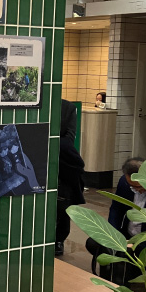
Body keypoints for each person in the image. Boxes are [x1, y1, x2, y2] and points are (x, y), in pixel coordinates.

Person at [55, 100, 86, 256]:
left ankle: (58, 239)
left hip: (61, 160)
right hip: (36, 158)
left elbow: (70, 138)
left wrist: (48, 142)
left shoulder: (68, 108)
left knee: (62, 202)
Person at [108, 157, 146, 239]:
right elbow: (116, 210)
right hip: (128, 235)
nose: (137, 190)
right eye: (132, 186)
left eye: (140, 186)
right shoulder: (124, 182)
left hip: (145, 239)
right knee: (93, 243)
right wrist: (113, 235)